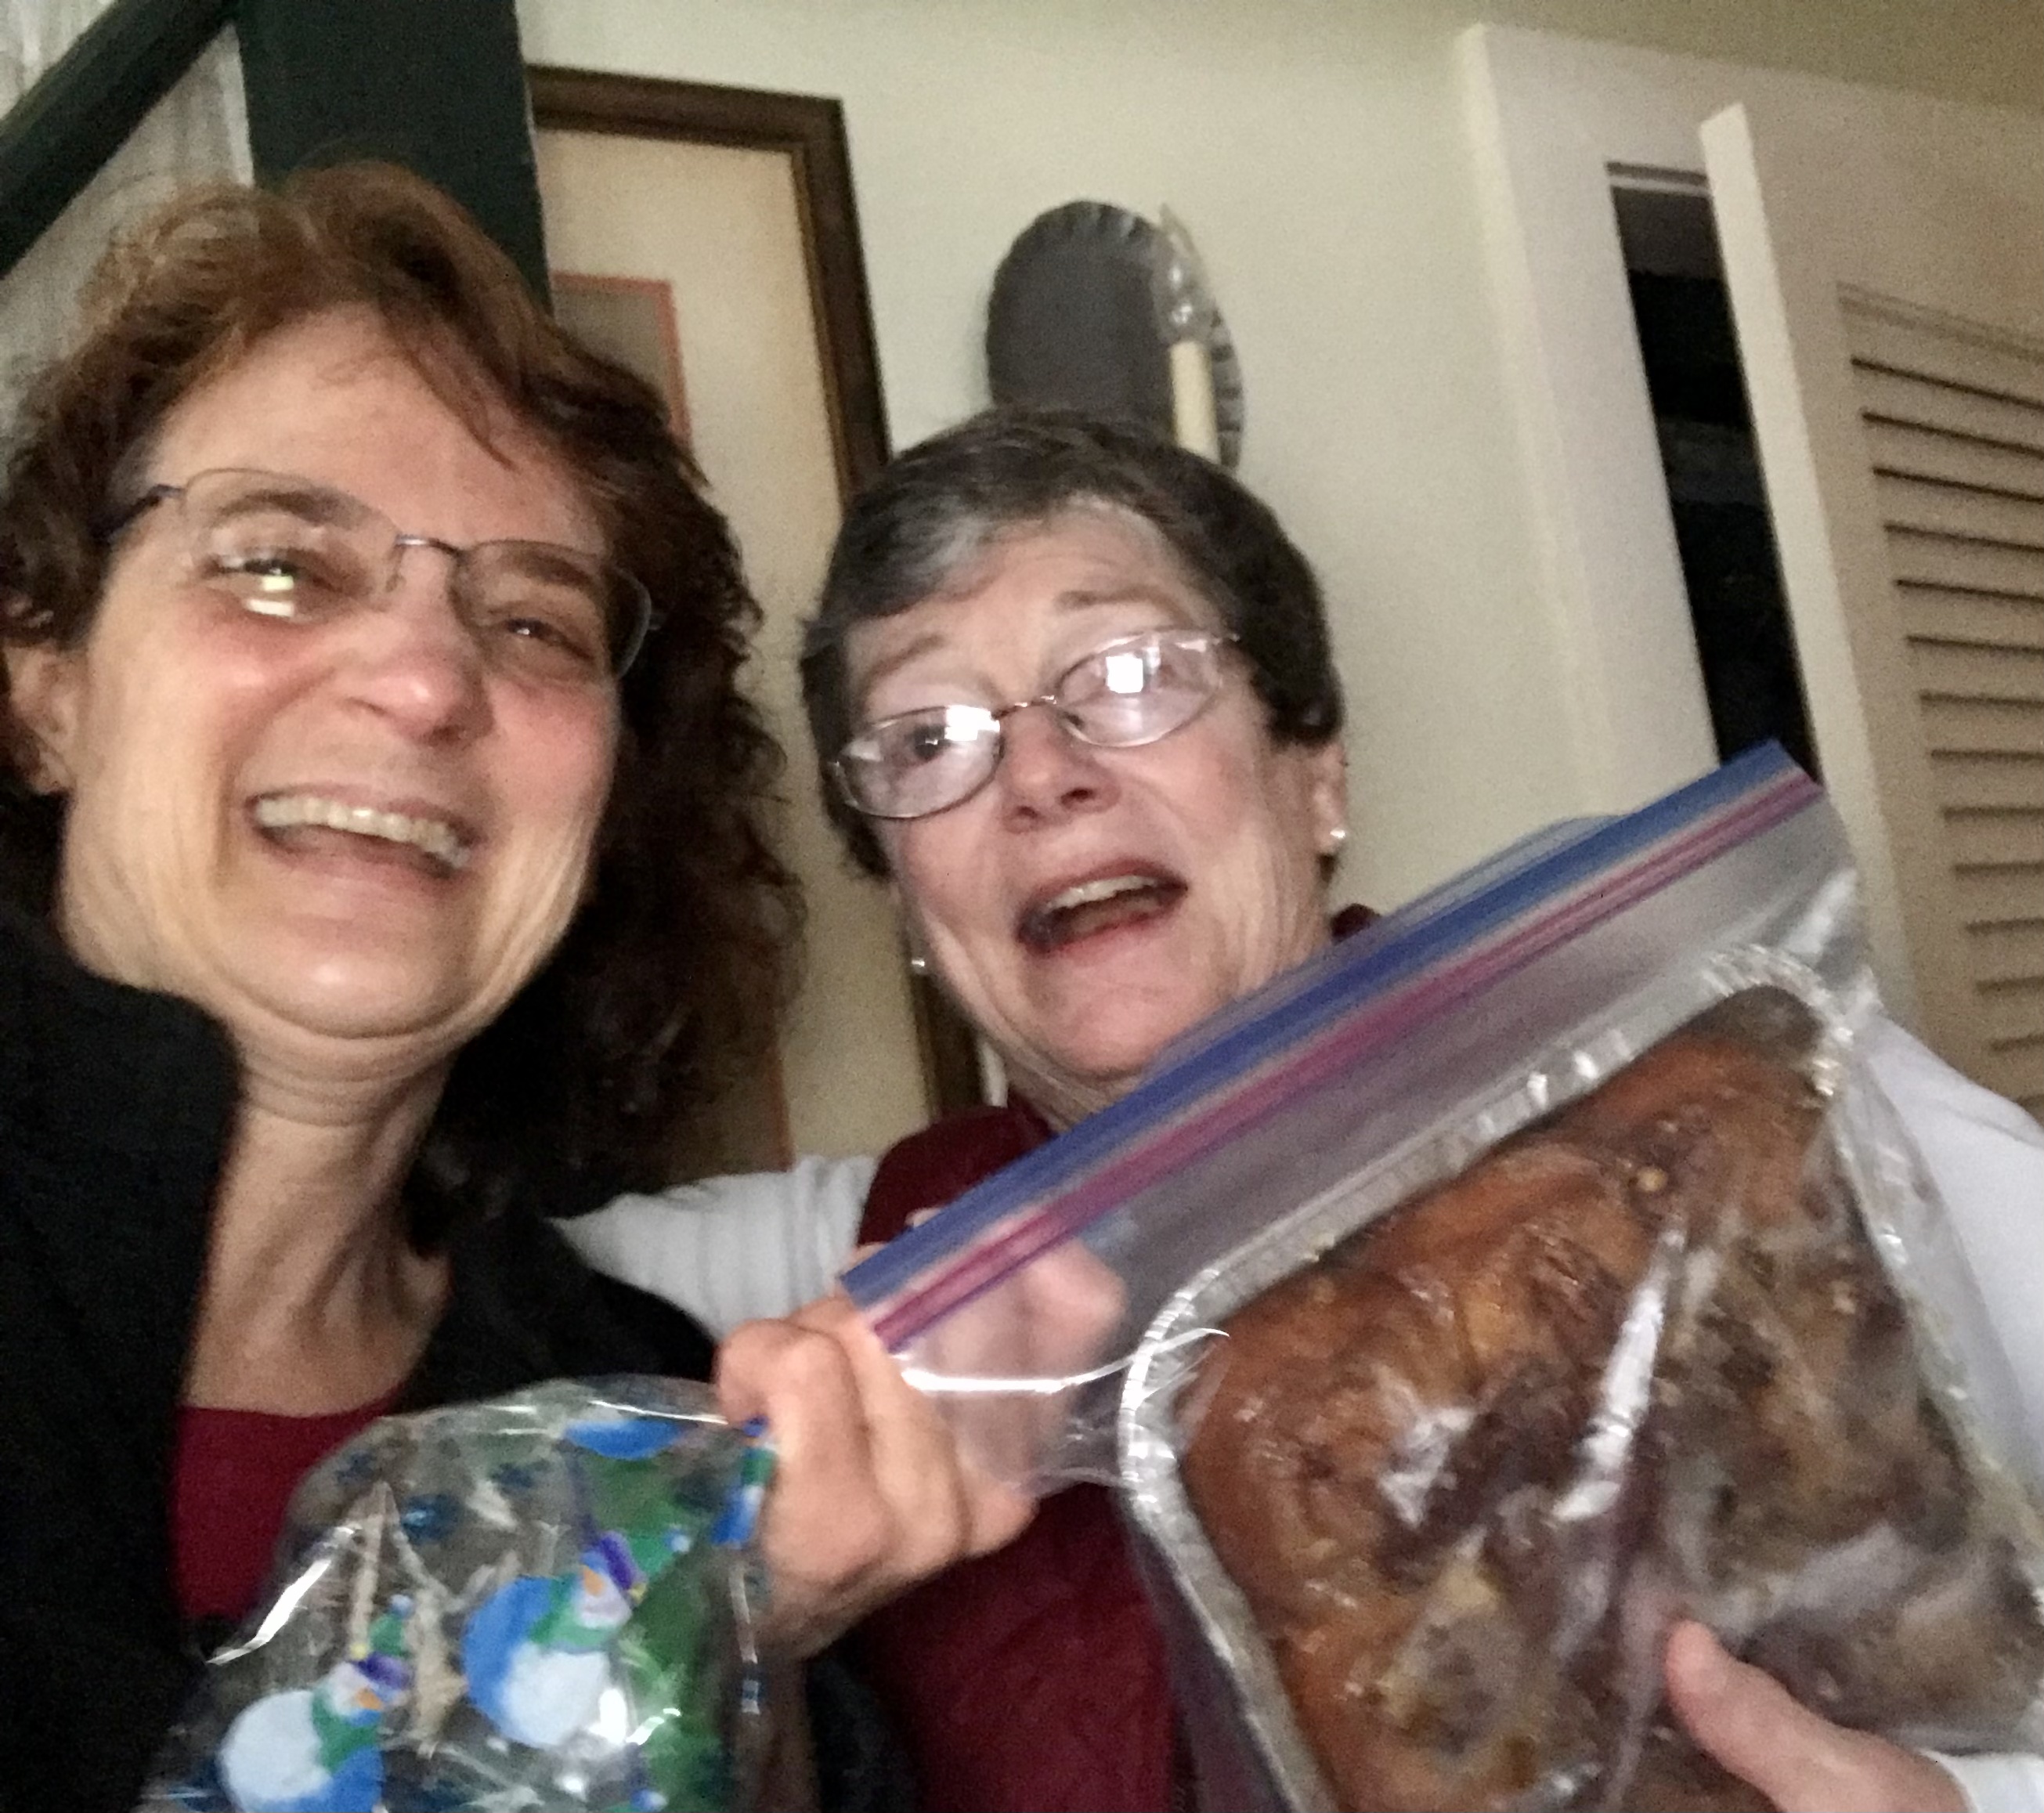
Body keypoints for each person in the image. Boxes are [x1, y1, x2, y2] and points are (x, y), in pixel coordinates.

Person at [779, 406, 2038, 1813]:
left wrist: (1961, 1806)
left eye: (1129, 672)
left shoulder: (1707, 1082)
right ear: (904, 900)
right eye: (926, 738)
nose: (1038, 777)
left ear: (1315, 774)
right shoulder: (846, 1285)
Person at [0, 165, 1024, 1813]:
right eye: (281, 562)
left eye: (536, 623)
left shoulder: (633, 1412)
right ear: (48, 684)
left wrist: (728, 1674)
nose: (425, 679)